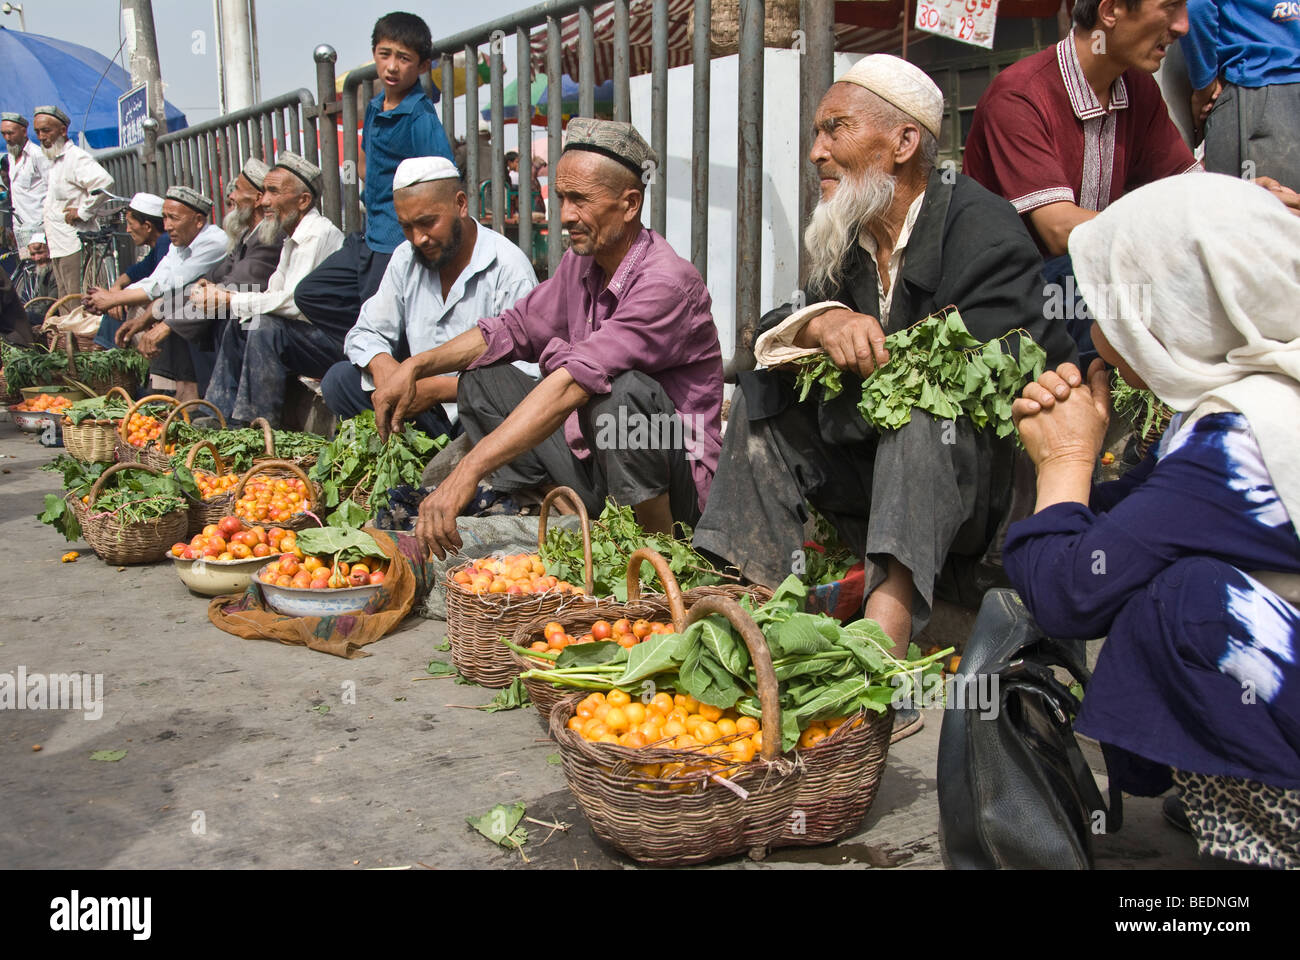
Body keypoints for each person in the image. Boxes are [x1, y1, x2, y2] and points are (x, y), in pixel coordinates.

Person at [692, 55, 1076, 666]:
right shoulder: (851, 236)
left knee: (922, 414)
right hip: (881, 477)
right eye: (816, 132)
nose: (816, 151)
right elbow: (769, 331)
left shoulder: (986, 229)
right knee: (764, 399)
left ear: (902, 142)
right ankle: (746, 602)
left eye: (834, 128)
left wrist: (853, 373)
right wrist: (824, 321)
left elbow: (974, 378)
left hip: (980, 497)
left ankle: (882, 654)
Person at [1001, 172, 1300, 869]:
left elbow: (1072, 592)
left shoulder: (1246, 440)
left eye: (1109, 308)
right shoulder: (1258, 395)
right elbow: (1134, 528)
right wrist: (1077, 471)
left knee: (1184, 605)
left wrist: (1066, 464)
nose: (1096, 340)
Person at [373, 118, 723, 557]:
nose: (566, 215)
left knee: (622, 397)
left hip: (676, 488)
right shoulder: (583, 262)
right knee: (481, 378)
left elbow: (575, 380)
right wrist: (415, 365)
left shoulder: (666, 283)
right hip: (597, 460)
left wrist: (466, 471)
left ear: (630, 203)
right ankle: (575, 512)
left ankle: (659, 553)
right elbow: (512, 329)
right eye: (560, 198)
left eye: (579, 200)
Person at [321, 156, 538, 440]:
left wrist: (435, 389)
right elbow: (365, 331)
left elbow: (527, 378)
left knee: (494, 420)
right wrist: (387, 369)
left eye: (427, 223)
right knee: (340, 381)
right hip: (420, 405)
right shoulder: (406, 258)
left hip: (476, 412)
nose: (418, 238)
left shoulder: (508, 267)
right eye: (407, 227)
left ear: (460, 204)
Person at [292, 12, 454, 342]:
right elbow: (366, 161)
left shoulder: (419, 117)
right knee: (310, 293)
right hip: (369, 236)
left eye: (404, 58)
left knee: (384, 324)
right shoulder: (376, 105)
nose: (392, 66)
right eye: (385, 54)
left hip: (397, 243)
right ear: (374, 54)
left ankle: (375, 360)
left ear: (423, 66)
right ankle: (363, 349)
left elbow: (444, 180)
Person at [200, 152, 344, 426]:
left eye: (273, 192)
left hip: (330, 341)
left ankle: (256, 425)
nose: (264, 201)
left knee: (264, 326)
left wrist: (230, 299)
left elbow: (294, 304)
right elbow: (271, 294)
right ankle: (217, 414)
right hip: (303, 335)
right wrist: (233, 303)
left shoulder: (317, 234)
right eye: (265, 191)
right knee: (241, 323)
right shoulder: (291, 237)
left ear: (303, 201)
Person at [151, 159, 284, 394]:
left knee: (202, 316)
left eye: (238, 190)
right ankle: (185, 397)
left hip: (257, 320)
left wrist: (168, 324)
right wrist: (158, 314)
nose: (231, 196)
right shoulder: (246, 236)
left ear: (256, 199)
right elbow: (213, 277)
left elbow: (235, 286)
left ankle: (210, 404)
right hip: (236, 308)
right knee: (175, 310)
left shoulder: (268, 238)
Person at [104, 187, 229, 400]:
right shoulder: (177, 243)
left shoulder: (214, 241)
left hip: (219, 307)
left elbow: (169, 284)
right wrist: (120, 299)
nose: (167, 225)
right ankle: (172, 390)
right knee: (164, 307)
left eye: (173, 218)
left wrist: (117, 298)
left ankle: (184, 394)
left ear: (198, 221)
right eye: (165, 218)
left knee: (170, 309)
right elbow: (158, 278)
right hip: (193, 302)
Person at [1183, 0, 1300, 192]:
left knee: (1251, 213)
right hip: (1269, 92)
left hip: (1258, 88)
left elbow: (1196, 7)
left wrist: (1204, 84)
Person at [32, 105, 114, 299]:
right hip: (57, 241)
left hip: (74, 242)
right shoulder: (54, 159)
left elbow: (104, 182)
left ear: (62, 130)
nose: (42, 137)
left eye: (46, 130)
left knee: (76, 300)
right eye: (37, 132)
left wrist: (83, 212)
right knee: (65, 299)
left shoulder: (75, 157)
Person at [88, 192, 169, 346]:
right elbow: (135, 271)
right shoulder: (157, 247)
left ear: (148, 227)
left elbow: (159, 287)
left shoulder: (165, 243)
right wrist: (117, 287)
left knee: (119, 312)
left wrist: (116, 298)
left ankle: (113, 358)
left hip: (172, 307)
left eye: (131, 224)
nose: (127, 230)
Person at [1, 113, 50, 257]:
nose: (7, 138)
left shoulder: (37, 155)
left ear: (23, 131)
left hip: (40, 226)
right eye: (3, 134)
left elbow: (52, 188)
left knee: (44, 268)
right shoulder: (11, 156)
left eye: (11, 133)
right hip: (21, 227)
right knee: (27, 269)